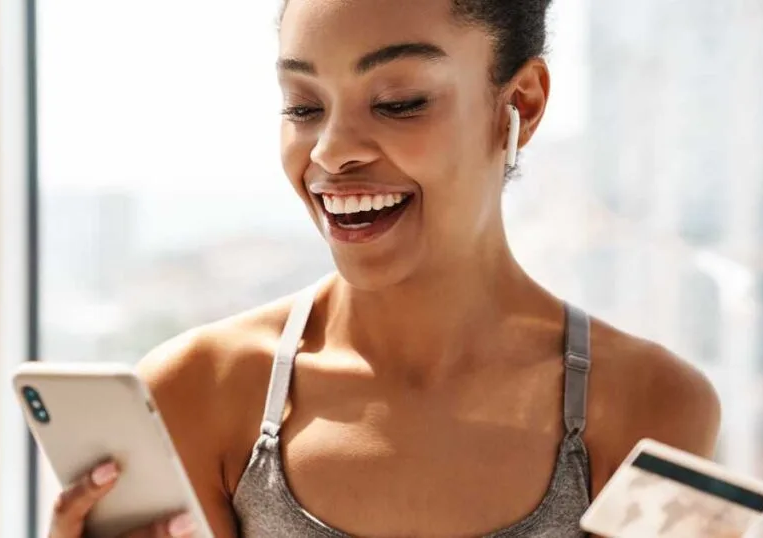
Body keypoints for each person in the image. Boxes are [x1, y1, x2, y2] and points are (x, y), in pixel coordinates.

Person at [48, 0, 721, 536]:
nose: (332, 151)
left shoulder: (653, 406)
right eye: (304, 107)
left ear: (520, 104)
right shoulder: (198, 391)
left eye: (399, 102)